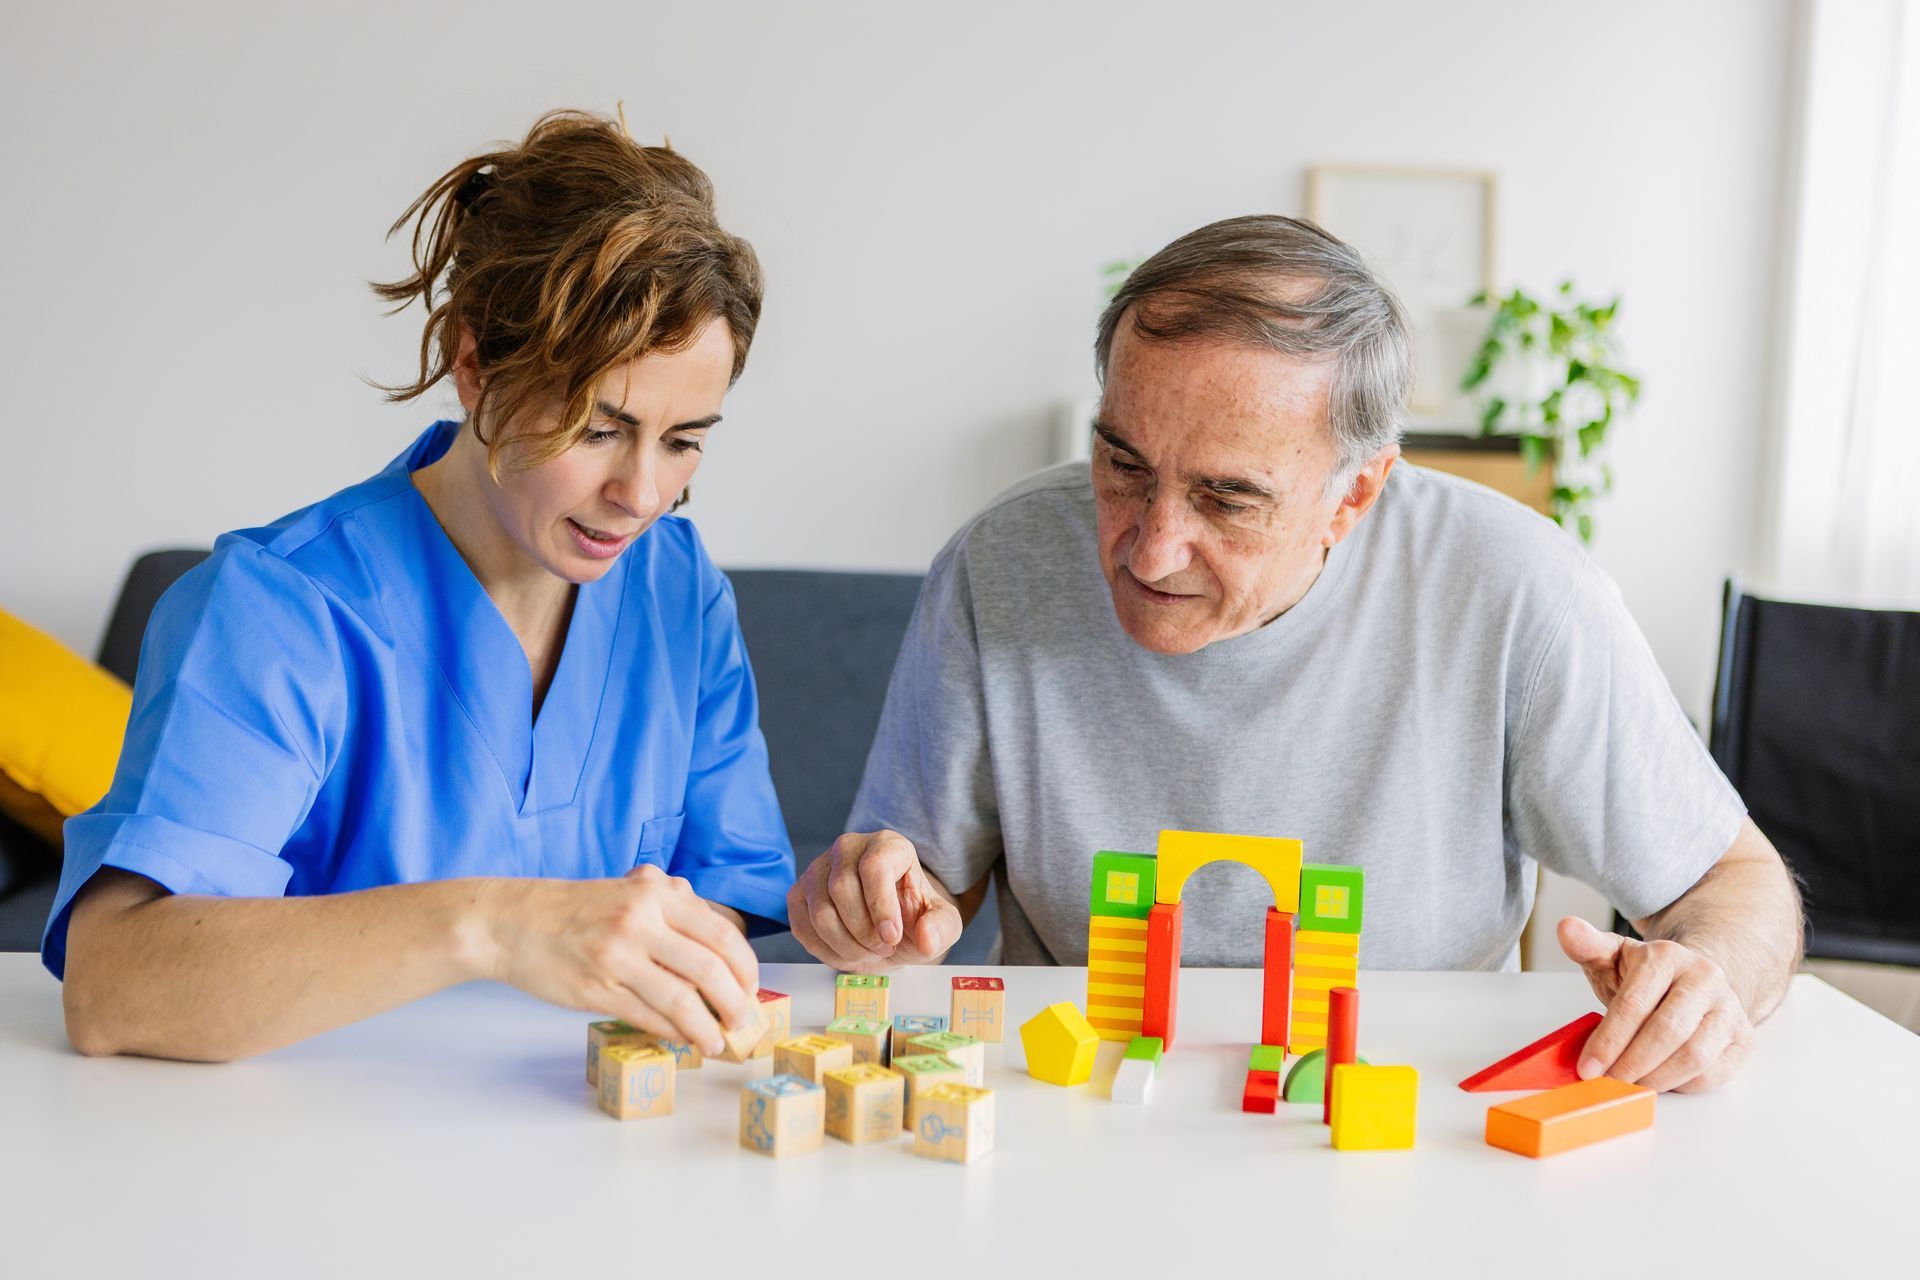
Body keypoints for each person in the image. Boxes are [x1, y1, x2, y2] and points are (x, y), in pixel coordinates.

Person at [789, 215, 1803, 1094]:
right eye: (1122, 463)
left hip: (1401, 1113)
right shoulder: (996, 563)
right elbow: (916, 887)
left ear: (1354, 496)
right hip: (1080, 1101)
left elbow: (1737, 887)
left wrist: (1707, 975)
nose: (1150, 545)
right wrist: (875, 901)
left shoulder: (1518, 590)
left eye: (1227, 497)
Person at [50, 109, 793, 1063]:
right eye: (599, 428)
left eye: (685, 441)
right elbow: (114, 988)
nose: (640, 495)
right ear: (476, 363)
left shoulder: (678, 592)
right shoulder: (275, 609)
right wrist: (493, 926)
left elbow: (723, 900)